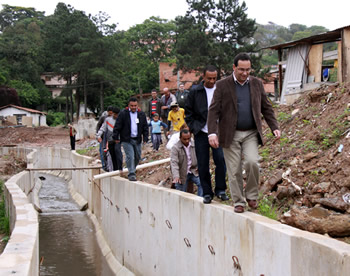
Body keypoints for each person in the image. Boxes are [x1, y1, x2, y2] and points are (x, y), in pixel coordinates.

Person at [207, 53, 281, 213]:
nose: (245, 73)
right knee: (234, 170)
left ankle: (252, 196)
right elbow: (213, 111)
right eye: (241, 69)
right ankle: (239, 201)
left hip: (250, 133)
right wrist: (212, 132)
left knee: (252, 162)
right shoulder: (222, 85)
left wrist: (274, 126)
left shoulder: (256, 84)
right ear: (234, 68)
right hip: (229, 134)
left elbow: (266, 107)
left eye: (248, 69)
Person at [185, 65, 229, 204]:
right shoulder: (195, 92)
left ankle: (221, 190)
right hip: (201, 133)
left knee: (220, 160)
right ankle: (207, 192)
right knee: (203, 164)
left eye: (214, 78)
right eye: (209, 78)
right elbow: (188, 112)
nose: (212, 81)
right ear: (203, 77)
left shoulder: (221, 90)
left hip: (218, 132)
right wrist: (194, 127)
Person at [112, 97, 148, 181]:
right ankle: (131, 173)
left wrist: (145, 137)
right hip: (126, 139)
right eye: (132, 106)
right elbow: (117, 125)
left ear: (137, 105)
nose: (133, 107)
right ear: (129, 105)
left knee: (137, 156)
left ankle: (133, 168)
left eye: (135, 105)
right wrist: (116, 136)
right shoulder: (123, 114)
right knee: (130, 156)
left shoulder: (141, 114)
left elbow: (145, 126)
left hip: (137, 139)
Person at [171, 129, 203, 197]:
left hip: (193, 171)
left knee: (203, 183)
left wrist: (200, 167)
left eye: (188, 138)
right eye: (184, 139)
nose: (187, 141)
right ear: (180, 138)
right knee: (181, 194)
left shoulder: (195, 144)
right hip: (182, 173)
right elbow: (174, 163)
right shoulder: (175, 148)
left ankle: (199, 201)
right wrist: (176, 176)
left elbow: (201, 157)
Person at [96, 107, 122, 172]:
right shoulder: (107, 120)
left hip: (117, 140)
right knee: (112, 155)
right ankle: (115, 170)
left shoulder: (121, 120)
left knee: (118, 152)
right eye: (115, 114)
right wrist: (98, 136)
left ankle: (120, 168)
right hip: (110, 140)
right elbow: (102, 128)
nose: (116, 116)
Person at [96, 106, 113, 170]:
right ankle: (104, 165)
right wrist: (98, 136)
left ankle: (110, 166)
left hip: (110, 138)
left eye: (112, 113)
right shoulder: (104, 117)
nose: (111, 115)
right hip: (103, 137)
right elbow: (99, 126)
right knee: (102, 151)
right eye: (110, 113)